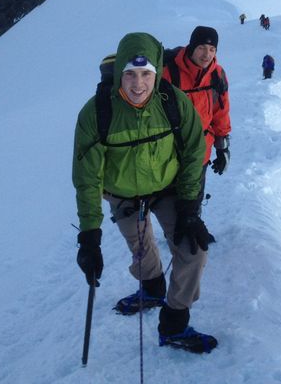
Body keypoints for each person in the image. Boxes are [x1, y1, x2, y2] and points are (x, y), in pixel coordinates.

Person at [73, 32, 217, 353]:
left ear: (158, 73)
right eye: (129, 74)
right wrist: (89, 236)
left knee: (194, 252)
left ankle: (174, 322)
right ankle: (152, 288)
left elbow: (195, 151)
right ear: (118, 75)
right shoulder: (97, 113)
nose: (138, 84)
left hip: (166, 188)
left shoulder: (174, 103)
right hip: (122, 193)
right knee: (140, 245)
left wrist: (189, 208)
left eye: (146, 74)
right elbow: (87, 177)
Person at [163, 26, 231, 220]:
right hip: (171, 151)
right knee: (169, 199)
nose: (206, 54)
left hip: (201, 149)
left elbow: (221, 112)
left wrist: (222, 148)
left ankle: (193, 226)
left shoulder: (217, 75)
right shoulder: (169, 74)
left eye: (212, 50)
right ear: (191, 47)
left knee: (195, 195)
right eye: (202, 47)